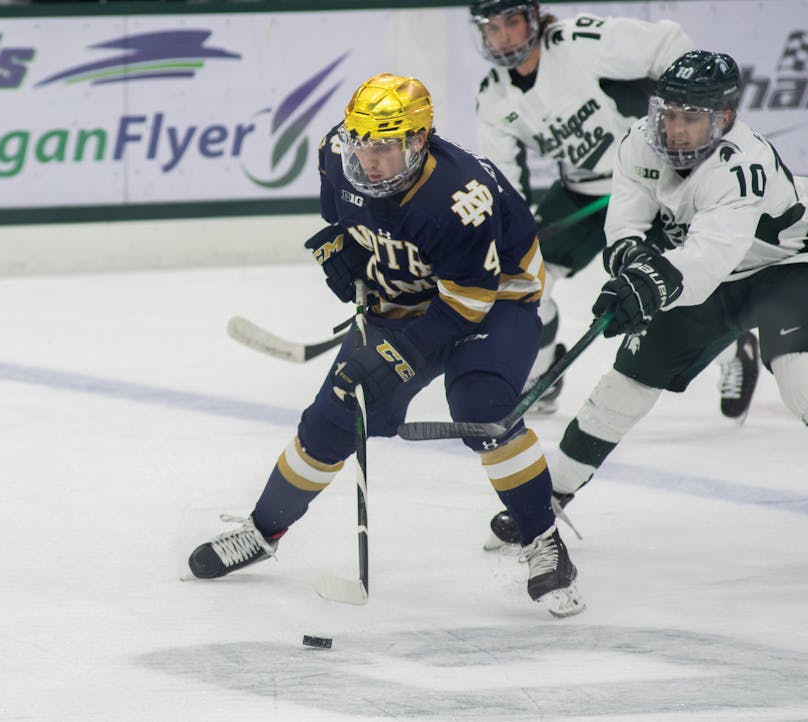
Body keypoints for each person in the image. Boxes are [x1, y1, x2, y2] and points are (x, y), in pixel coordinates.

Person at [188, 72, 585, 617]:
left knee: (484, 409)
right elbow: (339, 213)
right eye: (362, 145)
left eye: (385, 148)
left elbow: (465, 304)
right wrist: (340, 249)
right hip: (406, 297)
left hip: (495, 304)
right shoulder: (337, 151)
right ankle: (263, 532)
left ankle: (545, 542)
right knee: (330, 419)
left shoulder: (458, 197)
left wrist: (398, 357)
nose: (368, 161)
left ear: (418, 143)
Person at [486, 50, 808, 546]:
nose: (675, 130)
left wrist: (649, 285)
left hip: (784, 269)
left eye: (691, 118)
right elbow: (626, 225)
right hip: (703, 272)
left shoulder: (742, 164)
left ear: (723, 118)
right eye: (669, 114)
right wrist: (630, 267)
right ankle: (543, 504)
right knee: (626, 382)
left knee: (800, 381)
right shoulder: (639, 142)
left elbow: (706, 261)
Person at [468, 0, 759, 419]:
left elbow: (669, 44)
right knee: (521, 278)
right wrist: (508, 233)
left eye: (511, 22)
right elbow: (504, 180)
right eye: (492, 28)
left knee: (673, 284)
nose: (504, 37)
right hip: (581, 192)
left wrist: (678, 123)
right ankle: (540, 372)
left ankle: (734, 350)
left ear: (533, 17)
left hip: (647, 182)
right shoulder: (492, 96)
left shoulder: (578, 42)